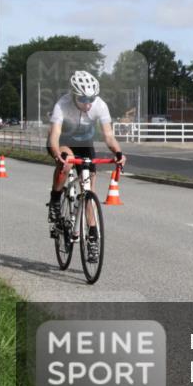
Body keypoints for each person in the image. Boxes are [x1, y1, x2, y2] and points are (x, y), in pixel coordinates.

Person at [46, 71, 126, 259]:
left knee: (89, 191)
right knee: (66, 164)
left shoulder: (100, 105)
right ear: (74, 95)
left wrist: (119, 153)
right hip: (63, 142)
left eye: (91, 98)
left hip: (85, 145)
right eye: (83, 98)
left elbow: (108, 135)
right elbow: (55, 134)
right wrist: (58, 154)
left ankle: (92, 236)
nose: (88, 102)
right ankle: (56, 199)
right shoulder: (62, 105)